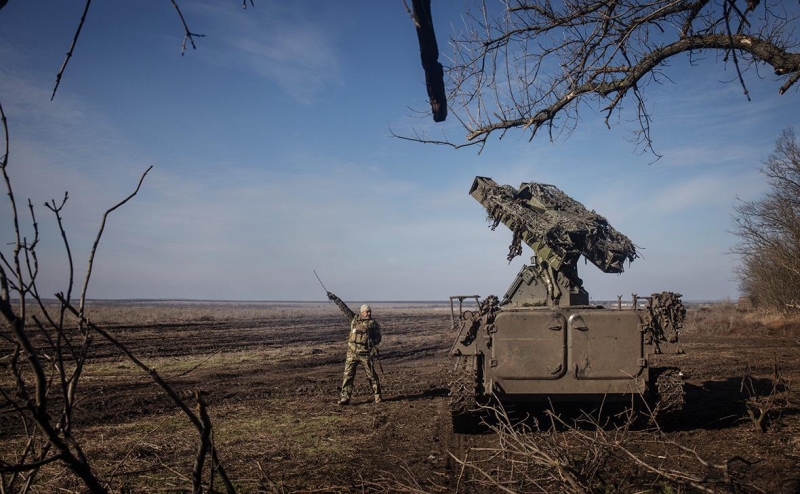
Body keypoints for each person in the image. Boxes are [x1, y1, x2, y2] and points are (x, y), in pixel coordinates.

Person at [326, 291, 382, 405]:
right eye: (366, 312)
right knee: (348, 376)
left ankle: (378, 396)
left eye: (370, 311)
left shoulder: (373, 324)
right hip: (352, 353)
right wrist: (336, 299)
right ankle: (344, 398)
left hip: (365, 353)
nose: (368, 313)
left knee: (371, 376)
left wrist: (373, 342)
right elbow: (344, 309)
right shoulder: (354, 319)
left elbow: (379, 338)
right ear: (361, 312)